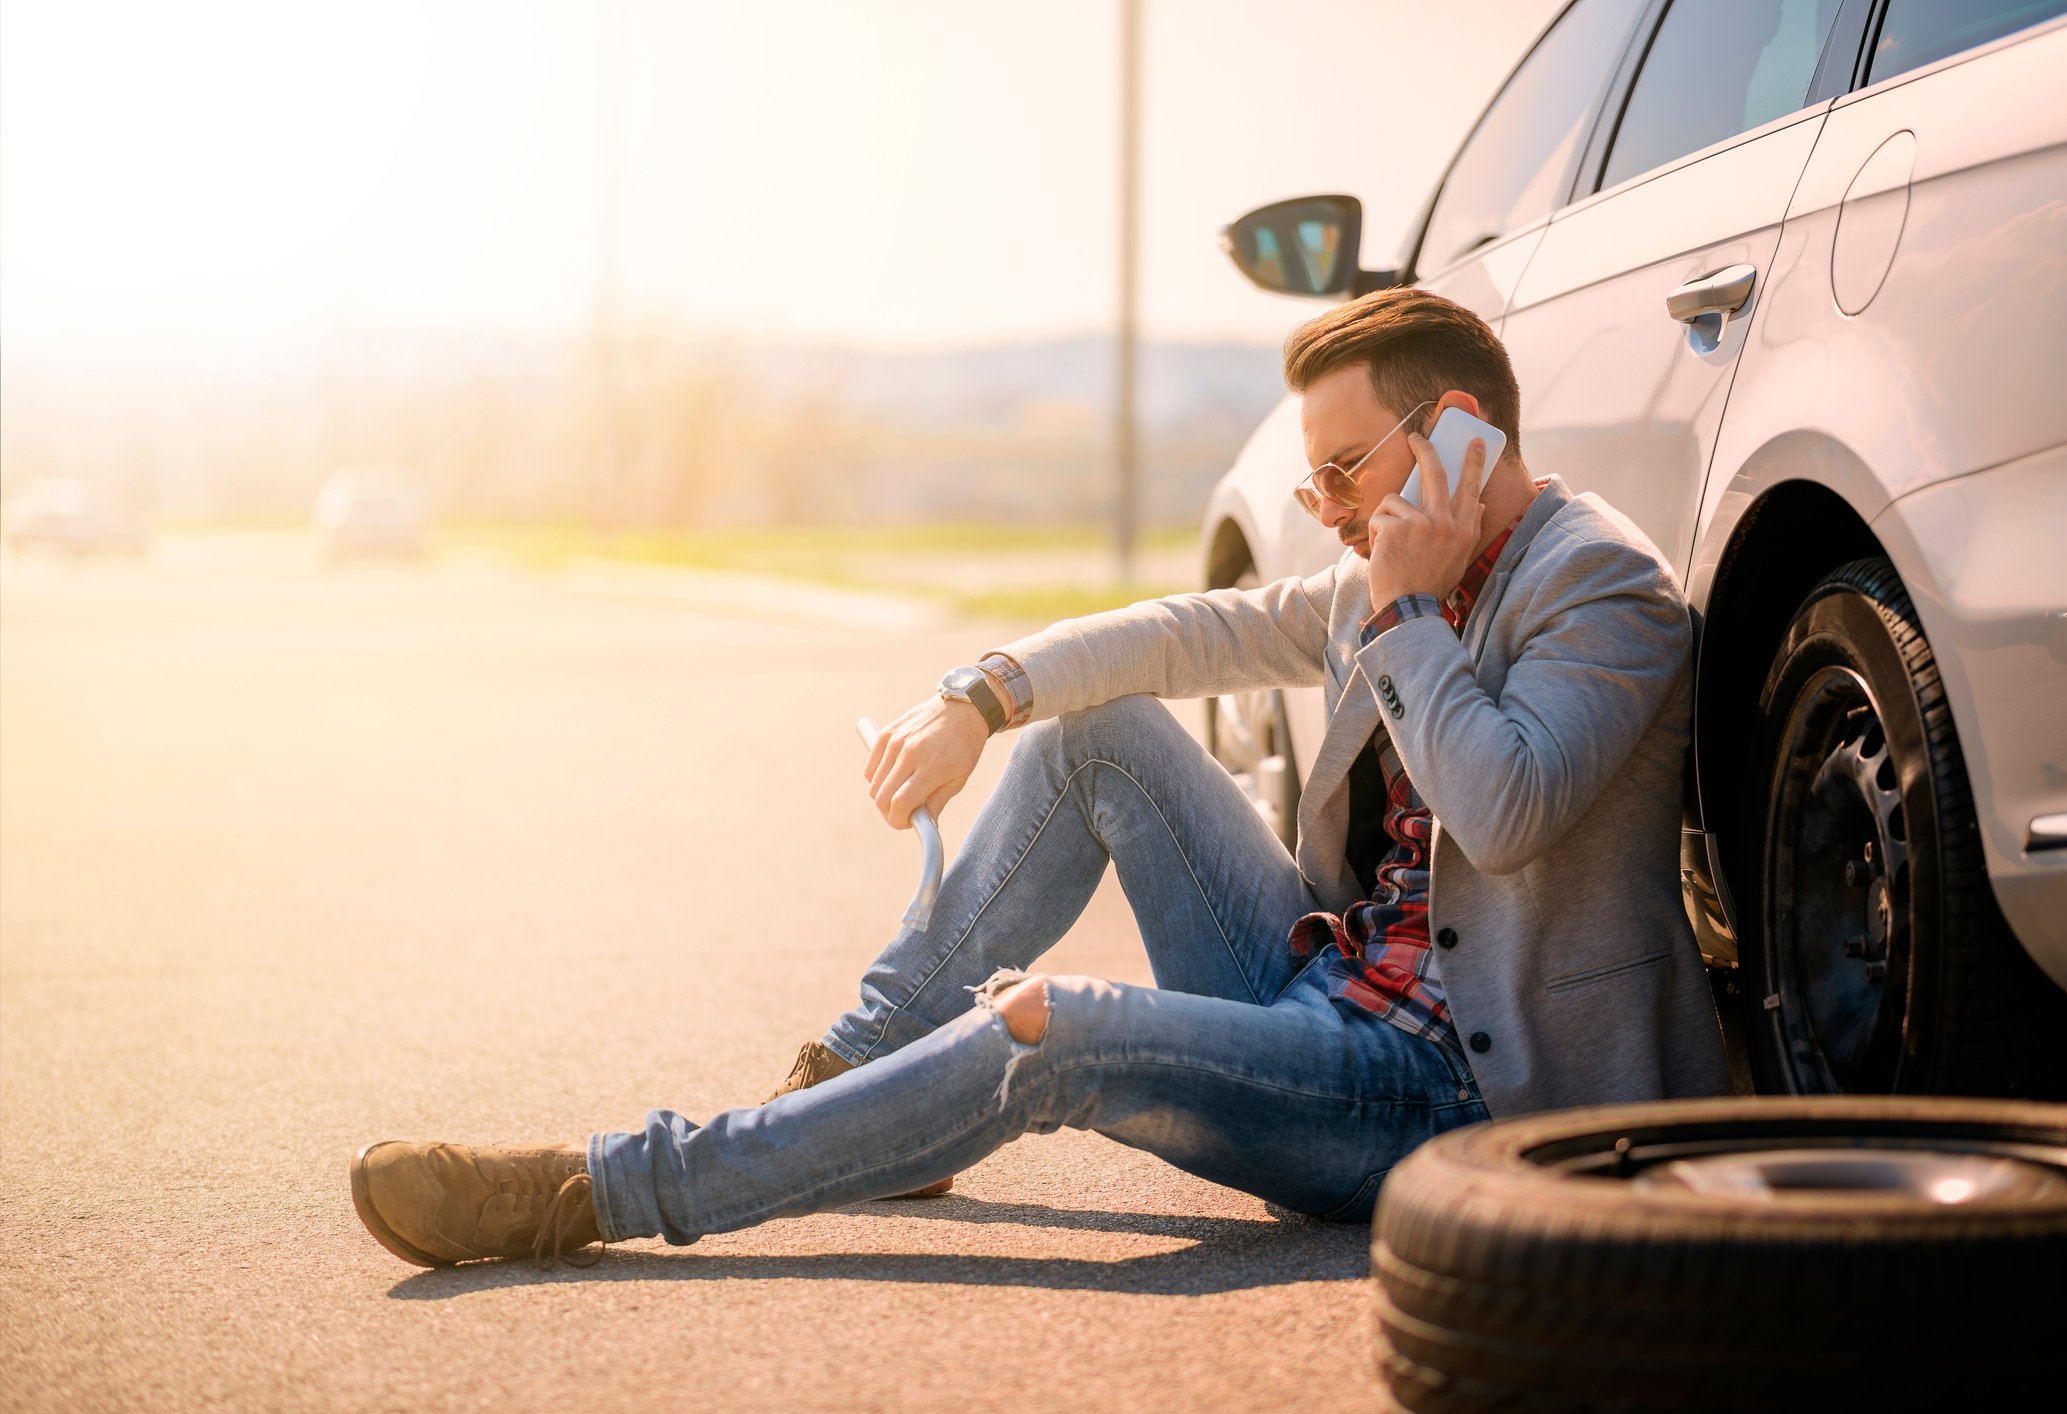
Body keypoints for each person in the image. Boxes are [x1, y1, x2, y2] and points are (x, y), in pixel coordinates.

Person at [348, 287, 1729, 1270]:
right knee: (1094, 733)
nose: (1337, 515)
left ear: (1464, 431)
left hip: (1450, 1094)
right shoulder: (1385, 577)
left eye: (1345, 474)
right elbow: (1180, 633)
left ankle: (604, 1185)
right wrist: (977, 696)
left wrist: (1410, 616)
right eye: (1315, 491)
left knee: (1048, 1029)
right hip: (1327, 995)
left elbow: (1504, 808)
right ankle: (864, 1061)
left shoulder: (1602, 587)